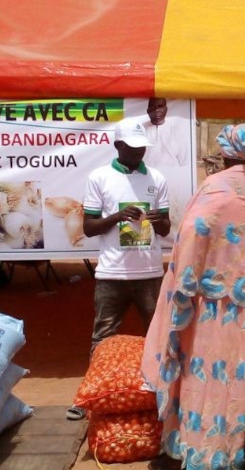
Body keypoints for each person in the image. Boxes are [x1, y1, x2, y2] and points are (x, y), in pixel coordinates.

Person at [140, 123, 245, 470]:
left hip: (207, 307)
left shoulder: (213, 187)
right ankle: (238, 453)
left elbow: (191, 235)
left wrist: (183, 287)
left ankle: (192, 450)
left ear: (224, 155)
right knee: (241, 378)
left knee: (201, 375)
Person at [67, 117, 171, 420]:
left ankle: (162, 395)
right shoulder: (99, 177)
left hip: (150, 273)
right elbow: (88, 228)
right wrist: (117, 217)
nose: (139, 152)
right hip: (112, 274)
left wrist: (157, 220)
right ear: (118, 145)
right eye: (132, 147)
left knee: (157, 335)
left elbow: (166, 228)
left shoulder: (157, 178)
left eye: (142, 148)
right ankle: (89, 397)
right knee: (103, 336)